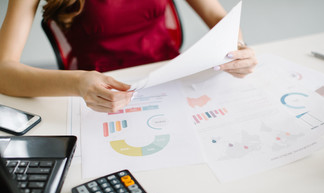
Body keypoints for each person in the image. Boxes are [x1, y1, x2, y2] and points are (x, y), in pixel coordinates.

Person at [0, 0, 257, 113]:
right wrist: (76, 82)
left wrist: (237, 47)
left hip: (171, 79)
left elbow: (217, 16)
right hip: (99, 96)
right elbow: (3, 70)